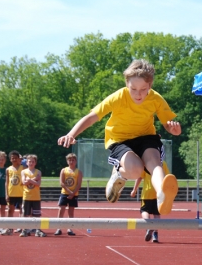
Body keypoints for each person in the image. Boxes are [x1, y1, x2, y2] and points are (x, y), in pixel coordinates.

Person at [57, 59, 181, 215]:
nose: (138, 94)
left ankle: (162, 193)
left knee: (154, 163)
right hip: (120, 139)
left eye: (143, 89)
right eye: (133, 89)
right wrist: (71, 134)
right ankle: (119, 174)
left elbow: (168, 125)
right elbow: (92, 117)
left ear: (150, 85)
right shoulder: (119, 97)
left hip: (146, 137)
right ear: (126, 83)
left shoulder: (156, 99)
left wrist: (174, 130)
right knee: (135, 170)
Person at [130, 160, 170, 243]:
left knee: (144, 211)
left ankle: (148, 227)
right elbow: (167, 178)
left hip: (147, 193)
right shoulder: (163, 164)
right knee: (156, 213)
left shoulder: (145, 164)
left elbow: (139, 177)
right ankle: (155, 235)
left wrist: (134, 189)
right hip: (158, 192)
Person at [57, 153, 82, 236]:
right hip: (64, 193)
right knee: (61, 210)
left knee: (71, 212)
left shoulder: (78, 172)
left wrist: (73, 193)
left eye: (73, 160)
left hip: (74, 194)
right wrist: (69, 191)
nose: (71, 161)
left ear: (76, 161)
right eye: (70, 160)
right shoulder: (64, 170)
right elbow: (62, 183)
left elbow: (79, 185)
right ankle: (58, 228)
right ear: (67, 161)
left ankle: (69, 228)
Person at [21, 154, 45, 237]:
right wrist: (34, 179)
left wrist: (30, 180)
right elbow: (24, 182)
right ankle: (25, 229)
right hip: (26, 196)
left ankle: (37, 229)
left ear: (35, 163)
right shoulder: (23, 172)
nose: (31, 163)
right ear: (27, 163)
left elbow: (38, 184)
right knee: (25, 214)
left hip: (36, 197)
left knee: (37, 214)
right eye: (29, 161)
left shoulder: (38, 172)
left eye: (33, 162)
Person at [5, 151, 24, 219]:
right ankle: (9, 227)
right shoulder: (8, 169)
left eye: (16, 158)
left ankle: (22, 227)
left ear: (19, 159)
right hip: (11, 193)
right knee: (10, 210)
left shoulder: (23, 168)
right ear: (10, 159)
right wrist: (6, 194)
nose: (14, 159)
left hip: (21, 193)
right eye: (12, 158)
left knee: (22, 210)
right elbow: (6, 182)